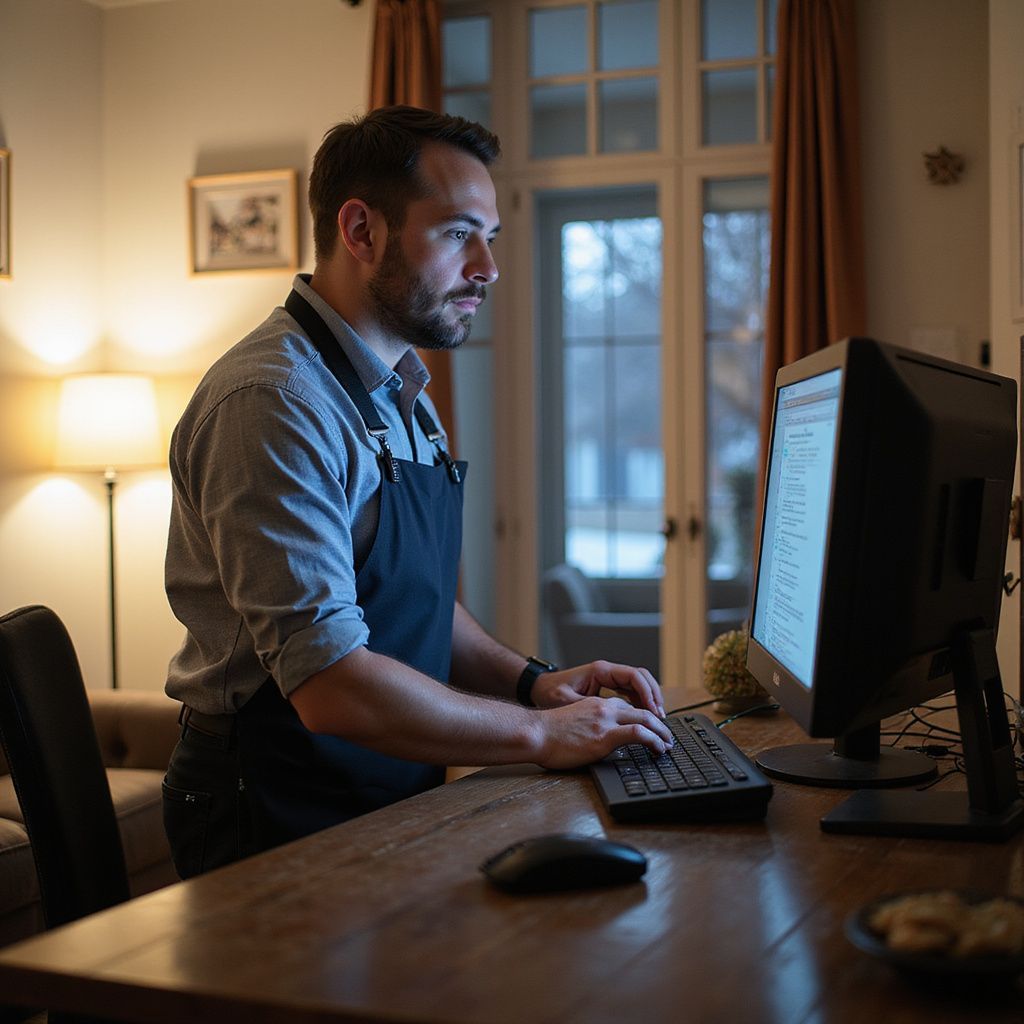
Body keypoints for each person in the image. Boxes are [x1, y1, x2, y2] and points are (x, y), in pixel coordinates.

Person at [162, 105, 672, 879]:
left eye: (490, 238)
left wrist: (537, 687)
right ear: (361, 231)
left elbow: (416, 599)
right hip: (271, 800)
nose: (488, 268)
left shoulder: (404, 390)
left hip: (382, 783)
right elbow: (330, 684)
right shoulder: (273, 402)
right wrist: (542, 737)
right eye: (458, 233)